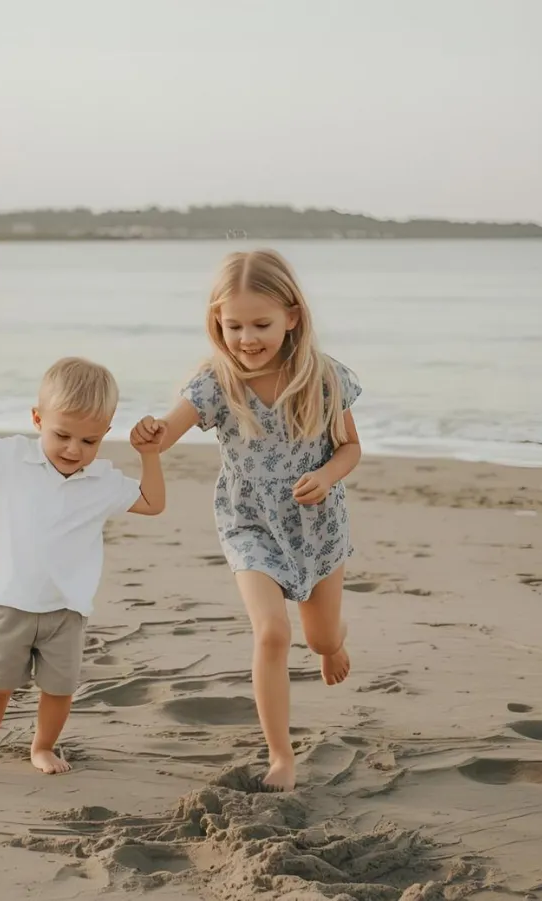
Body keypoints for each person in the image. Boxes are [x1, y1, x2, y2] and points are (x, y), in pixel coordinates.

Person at [134, 249, 362, 791]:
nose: (246, 338)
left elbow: (350, 448)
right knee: (272, 633)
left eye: (260, 324)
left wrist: (327, 476)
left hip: (317, 525)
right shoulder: (217, 382)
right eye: (232, 325)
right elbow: (169, 430)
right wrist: (150, 437)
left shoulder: (323, 378)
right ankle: (281, 756)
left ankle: (333, 644)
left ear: (292, 316)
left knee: (321, 638)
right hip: (250, 524)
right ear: (217, 323)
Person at [0, 357, 166, 774]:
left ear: (105, 434)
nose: (73, 450)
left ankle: (42, 746)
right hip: (10, 603)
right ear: (37, 418)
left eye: (89, 441)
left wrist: (149, 455)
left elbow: (153, 504)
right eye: (61, 435)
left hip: (67, 610)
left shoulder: (102, 481)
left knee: (60, 690)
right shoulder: (12, 458)